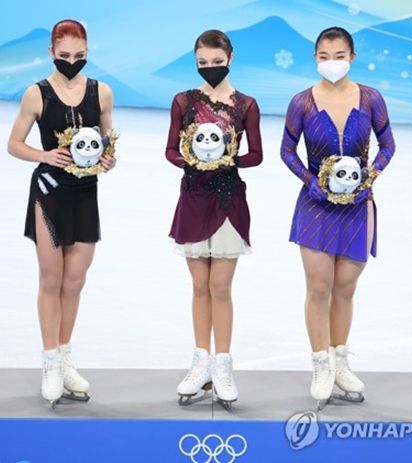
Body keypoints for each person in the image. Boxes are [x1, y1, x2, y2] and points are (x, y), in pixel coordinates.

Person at [280, 26, 395, 409]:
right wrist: (309, 181)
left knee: (345, 288)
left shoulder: (371, 98)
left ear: (352, 57)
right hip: (316, 207)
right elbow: (287, 150)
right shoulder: (302, 102)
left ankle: (340, 360)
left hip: (358, 206)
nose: (332, 62)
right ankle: (320, 364)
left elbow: (387, 144)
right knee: (318, 288)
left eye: (340, 56)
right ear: (315, 58)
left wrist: (369, 177)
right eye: (325, 56)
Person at [7, 19, 116, 407]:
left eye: (80, 55)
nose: (72, 61)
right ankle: (50, 361)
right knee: (51, 278)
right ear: (52, 52)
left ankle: (65, 356)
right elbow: (14, 144)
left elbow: (106, 141)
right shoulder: (36, 94)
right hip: (49, 193)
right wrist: (45, 155)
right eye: (65, 55)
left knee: (75, 280)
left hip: (85, 194)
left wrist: (108, 159)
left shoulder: (101, 93)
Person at [165, 29, 263, 407]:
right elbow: (170, 149)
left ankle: (223, 364)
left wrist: (226, 160)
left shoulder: (246, 105)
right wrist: (192, 160)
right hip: (193, 197)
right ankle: (200, 361)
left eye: (217, 62)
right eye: (202, 63)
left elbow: (256, 155)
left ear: (230, 58)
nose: (210, 68)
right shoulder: (183, 101)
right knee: (199, 285)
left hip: (226, 199)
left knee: (220, 285)